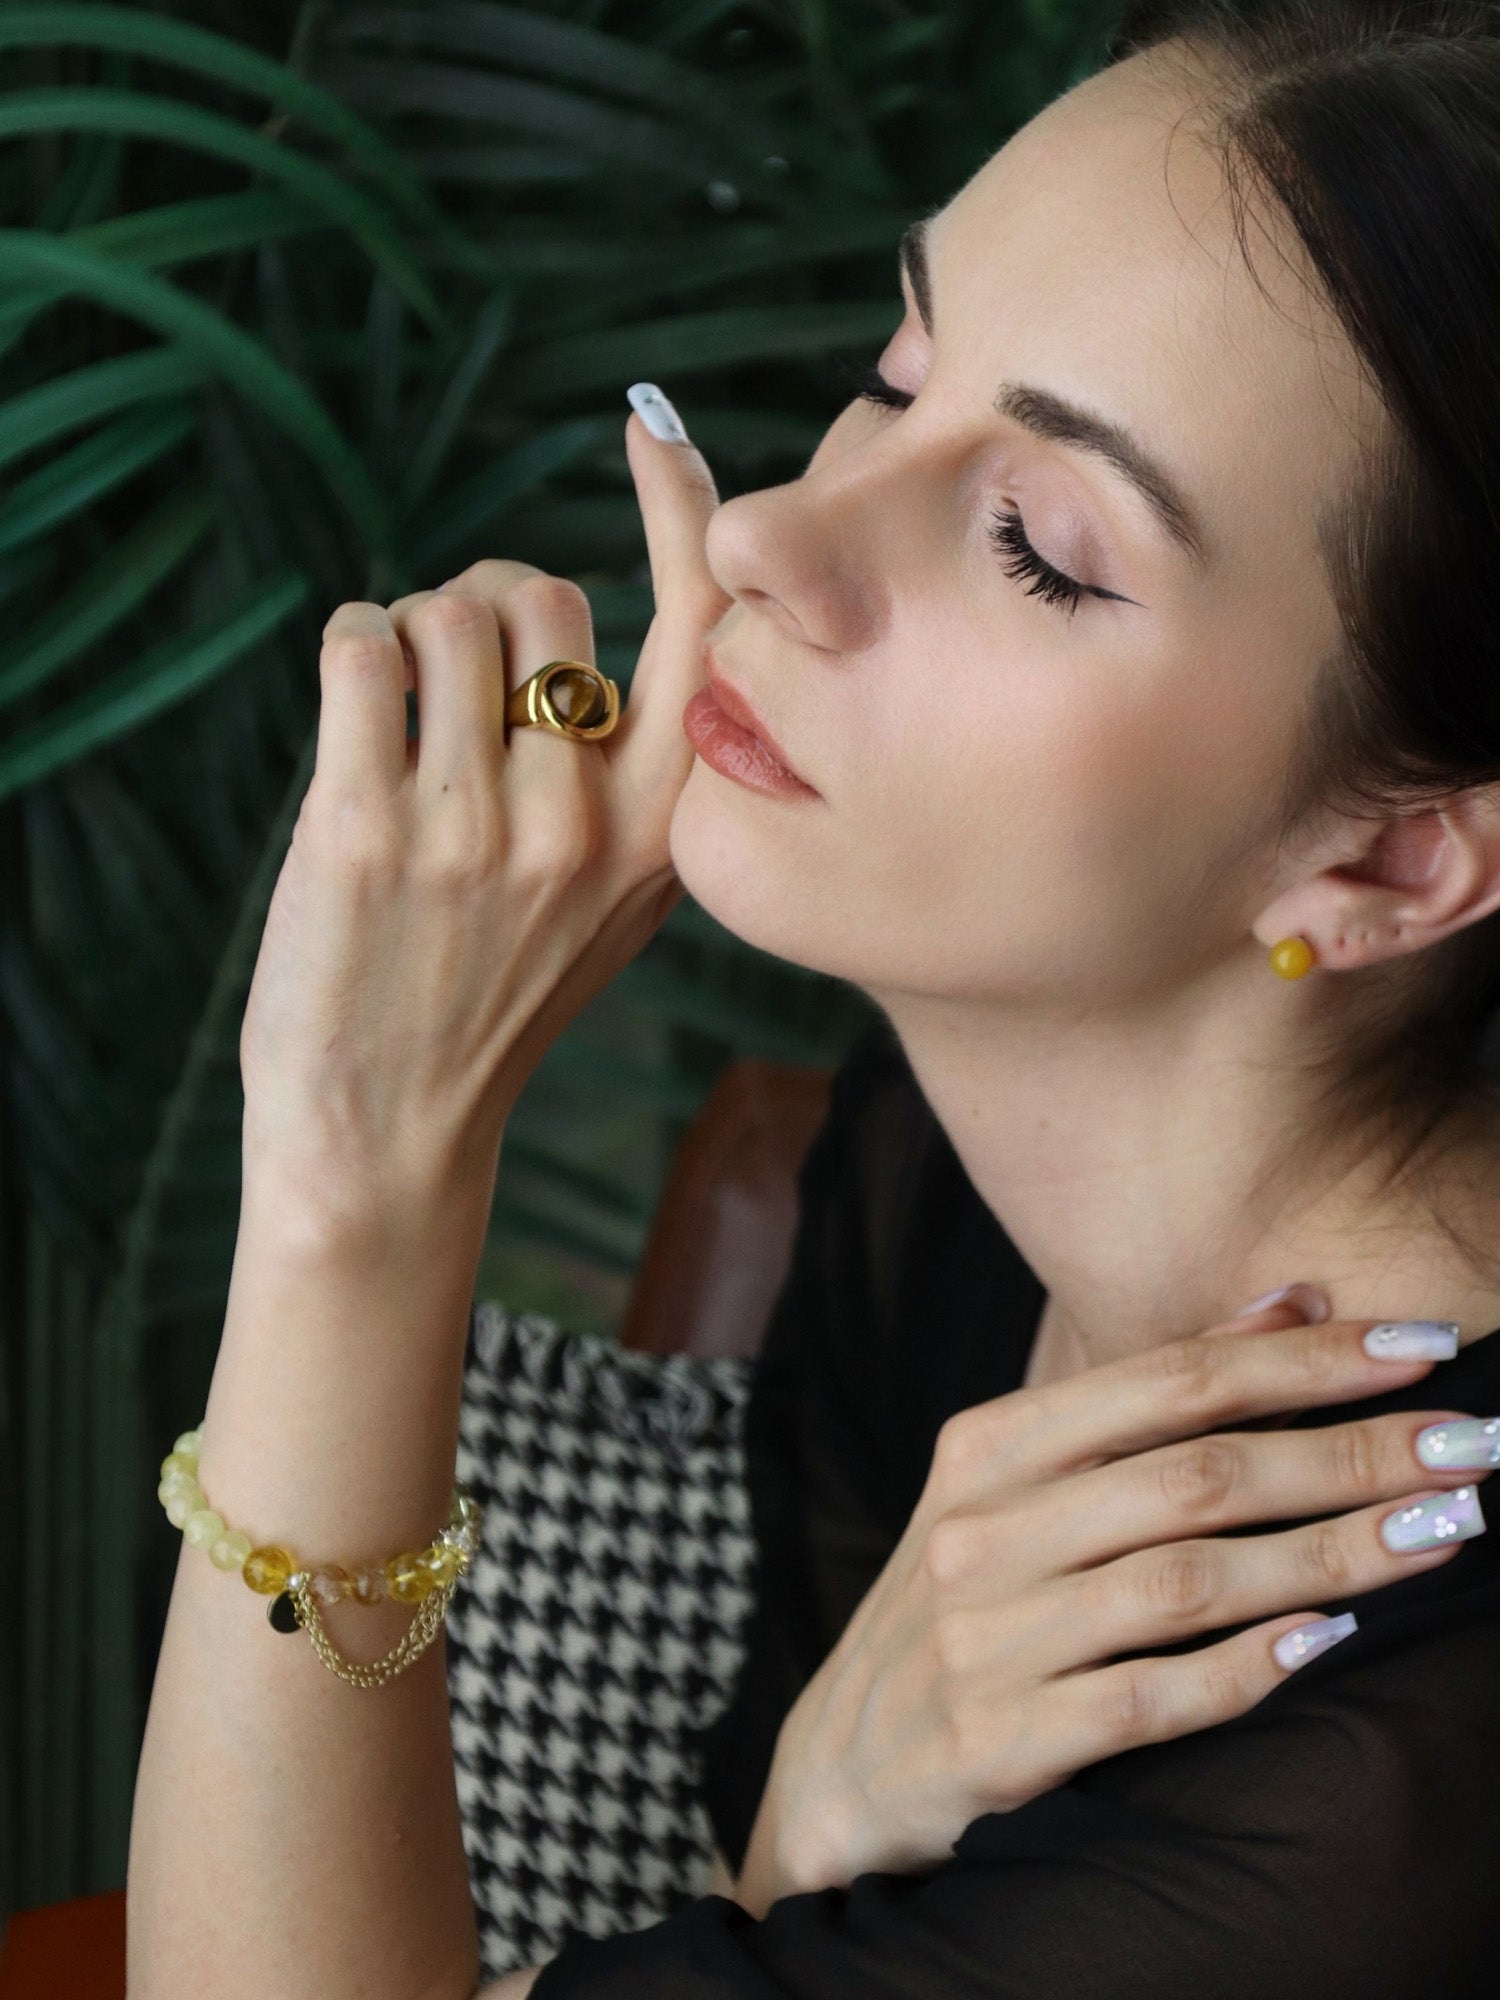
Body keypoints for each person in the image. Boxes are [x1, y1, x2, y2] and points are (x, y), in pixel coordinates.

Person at [128, 1, 1500, 1995]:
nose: (768, 534)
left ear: (1385, 862)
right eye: (898, 368)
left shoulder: (1388, 1775)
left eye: (1038, 547)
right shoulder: (949, 1173)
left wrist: (362, 1167)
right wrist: (792, 1851)